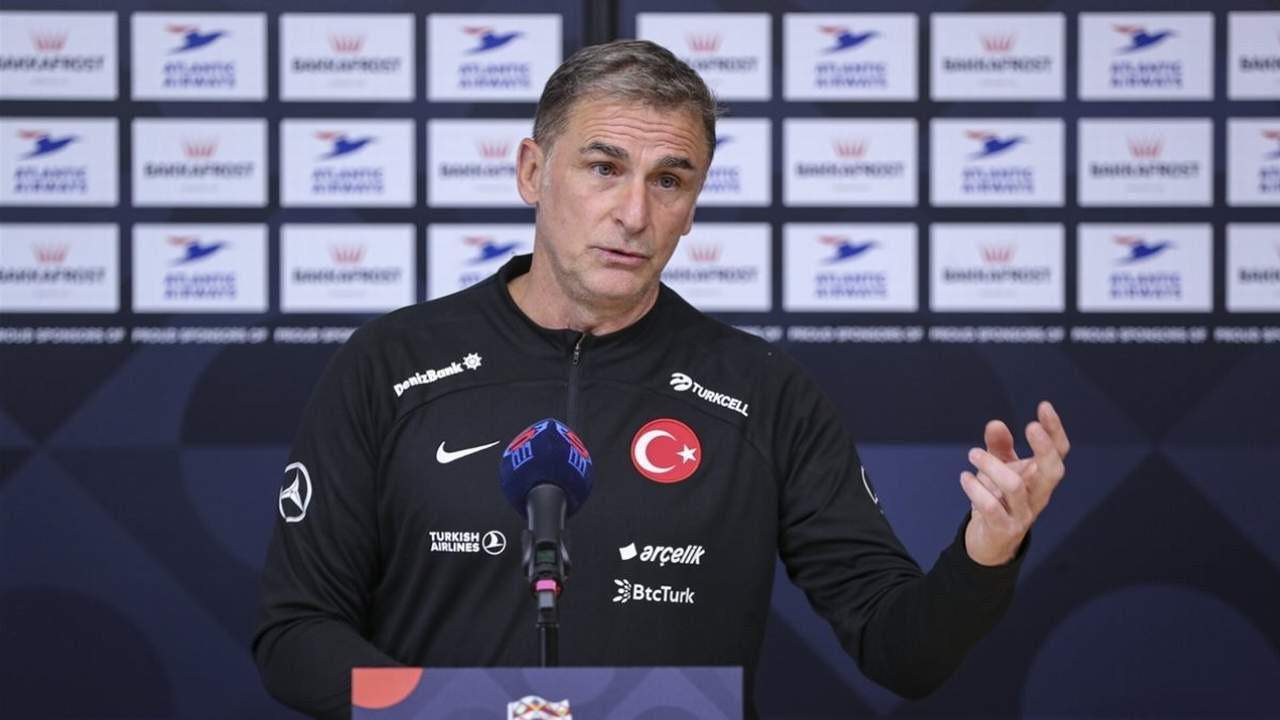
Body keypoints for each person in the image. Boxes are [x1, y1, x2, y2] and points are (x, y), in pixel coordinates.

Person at [253, 40, 1070, 719]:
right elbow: (295, 634)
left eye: (669, 181)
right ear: (533, 171)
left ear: (694, 203)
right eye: (603, 168)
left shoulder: (763, 391)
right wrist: (453, 712)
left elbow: (903, 652)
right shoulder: (390, 363)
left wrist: (986, 551)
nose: (634, 214)